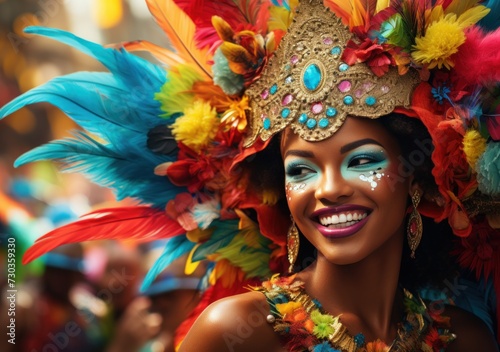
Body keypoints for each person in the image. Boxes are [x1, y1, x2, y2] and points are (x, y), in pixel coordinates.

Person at [1, 0, 499, 350]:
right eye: (301, 170)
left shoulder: (464, 339)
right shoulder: (234, 334)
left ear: (416, 177)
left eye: (362, 161)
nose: (328, 190)